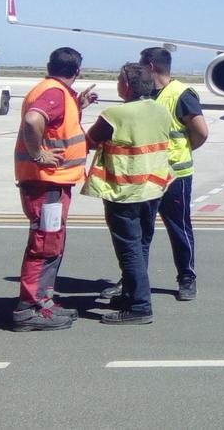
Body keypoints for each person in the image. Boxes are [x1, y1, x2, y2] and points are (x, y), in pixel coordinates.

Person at [11, 47, 97, 331]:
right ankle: (30, 309)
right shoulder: (55, 93)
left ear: (50, 65)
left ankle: (42, 301)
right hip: (46, 182)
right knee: (45, 244)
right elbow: (33, 120)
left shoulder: (55, 91)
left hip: (51, 183)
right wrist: (38, 154)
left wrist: (79, 105)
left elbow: (54, 125)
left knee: (51, 241)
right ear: (78, 70)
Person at [82, 63, 174, 325]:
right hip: (154, 187)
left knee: (129, 249)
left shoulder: (115, 114)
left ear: (128, 85)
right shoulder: (161, 110)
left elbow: (89, 142)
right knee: (141, 244)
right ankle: (132, 294)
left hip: (124, 191)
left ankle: (140, 306)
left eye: (119, 81)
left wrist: (78, 109)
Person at [118, 47, 208, 302]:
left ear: (150, 65)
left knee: (179, 228)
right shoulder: (143, 94)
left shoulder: (180, 94)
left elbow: (200, 132)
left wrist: (182, 151)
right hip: (145, 175)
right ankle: (132, 281)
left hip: (174, 175)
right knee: (140, 233)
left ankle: (187, 277)